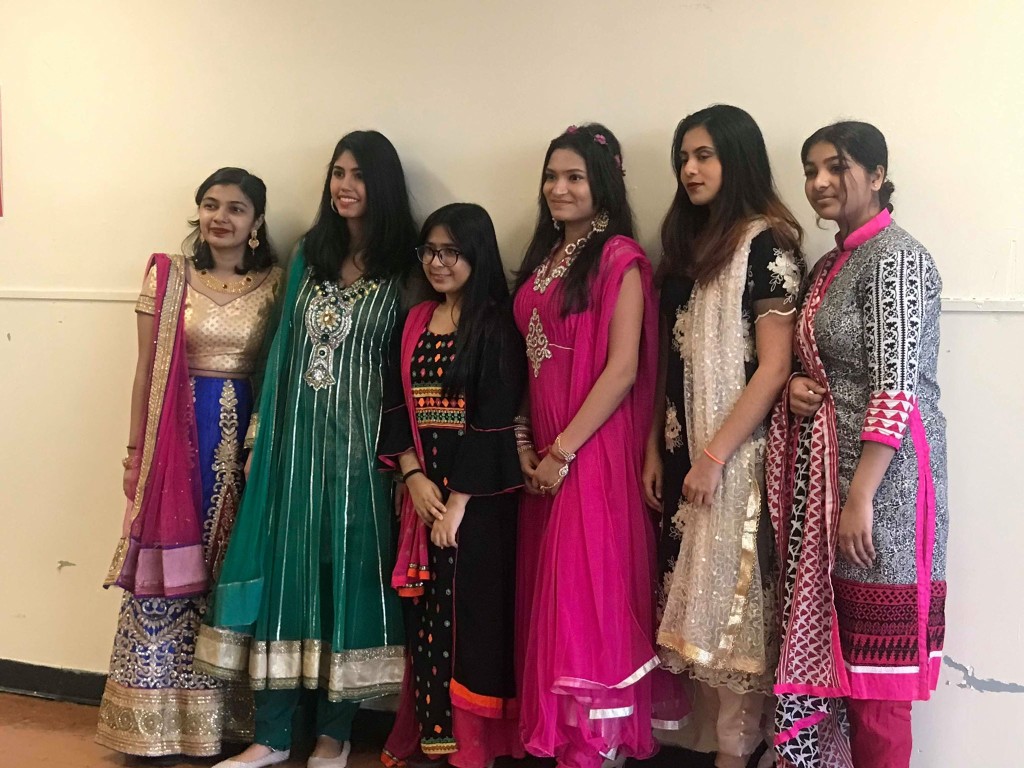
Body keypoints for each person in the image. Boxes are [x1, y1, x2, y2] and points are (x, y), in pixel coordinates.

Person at [194, 131, 420, 768]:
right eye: (336, 173)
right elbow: (282, 349)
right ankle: (270, 736)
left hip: (360, 456)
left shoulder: (405, 267)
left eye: (357, 175)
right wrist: (261, 436)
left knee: (346, 580)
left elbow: (404, 368)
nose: (343, 186)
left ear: (383, 184)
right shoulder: (308, 256)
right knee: (287, 576)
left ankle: (335, 733)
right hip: (292, 451)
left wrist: (404, 460)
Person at [766, 121, 948, 768]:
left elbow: (895, 389)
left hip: (884, 489)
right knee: (841, 665)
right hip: (831, 482)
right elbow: (821, 363)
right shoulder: (835, 261)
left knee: (877, 681)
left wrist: (861, 497)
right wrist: (796, 389)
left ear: (876, 175)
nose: (819, 182)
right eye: (811, 168)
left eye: (836, 167)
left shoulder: (894, 256)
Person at [97, 167, 283, 758]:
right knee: (167, 580)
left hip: (241, 452)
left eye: (236, 208)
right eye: (210, 205)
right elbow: (146, 371)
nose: (220, 217)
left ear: (257, 224)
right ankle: (150, 718)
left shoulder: (277, 284)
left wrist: (259, 446)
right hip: (175, 446)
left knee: (226, 569)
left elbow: (273, 377)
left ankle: (220, 721)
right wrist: (135, 454)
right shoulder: (168, 277)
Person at [647, 105, 804, 768]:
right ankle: (726, 750)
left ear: (737, 159)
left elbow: (772, 368)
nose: (689, 168)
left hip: (738, 460)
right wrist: (656, 449)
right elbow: (670, 360)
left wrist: (713, 457)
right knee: (703, 624)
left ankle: (737, 754)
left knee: (737, 618)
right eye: (684, 156)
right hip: (688, 454)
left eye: (705, 155)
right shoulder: (689, 246)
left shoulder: (767, 245)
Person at [512, 123, 659, 768]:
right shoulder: (544, 260)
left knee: (585, 599)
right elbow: (530, 359)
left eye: (575, 177)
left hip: (589, 452)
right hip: (543, 450)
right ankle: (569, 743)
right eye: (552, 176)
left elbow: (623, 370)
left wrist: (563, 451)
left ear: (602, 185)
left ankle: (595, 750)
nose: (559, 189)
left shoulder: (620, 258)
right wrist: (524, 439)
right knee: (554, 601)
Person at [379, 203, 526, 768]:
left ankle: (472, 752)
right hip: (423, 496)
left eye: (451, 252)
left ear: (477, 254)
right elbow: (396, 405)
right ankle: (435, 742)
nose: (438, 263)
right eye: (429, 251)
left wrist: (458, 504)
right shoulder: (415, 320)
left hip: (477, 505)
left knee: (472, 622)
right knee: (427, 621)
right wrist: (413, 477)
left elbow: (492, 418)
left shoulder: (495, 323)